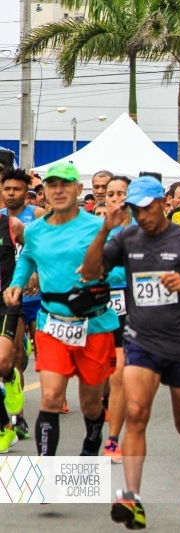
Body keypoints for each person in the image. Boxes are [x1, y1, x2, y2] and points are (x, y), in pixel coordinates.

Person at [80, 176, 180, 530]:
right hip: (141, 341)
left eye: (148, 206)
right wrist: (104, 230)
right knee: (136, 413)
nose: (143, 215)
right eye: (136, 208)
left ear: (163, 204)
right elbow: (90, 272)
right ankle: (131, 498)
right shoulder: (126, 237)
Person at [3, 162, 119, 458]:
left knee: (91, 403)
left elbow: (120, 269)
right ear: (44, 192)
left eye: (65, 185)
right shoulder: (37, 231)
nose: (58, 190)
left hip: (94, 324)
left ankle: (92, 442)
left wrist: (100, 276)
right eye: (51, 185)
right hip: (52, 322)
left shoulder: (97, 227)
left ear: (79, 190)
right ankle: (46, 471)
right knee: (51, 397)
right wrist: (17, 283)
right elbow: (27, 258)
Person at [1, 167, 47, 438]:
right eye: (6, 189)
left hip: (38, 296)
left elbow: (48, 249)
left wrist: (38, 274)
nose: (11, 193)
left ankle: (16, 415)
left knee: (25, 353)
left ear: (25, 192)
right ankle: (16, 416)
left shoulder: (37, 217)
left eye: (16, 189)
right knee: (12, 356)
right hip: (10, 294)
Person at [98, 176, 135, 463]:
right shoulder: (93, 231)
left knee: (119, 374)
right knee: (98, 379)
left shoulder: (140, 232)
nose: (114, 199)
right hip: (97, 308)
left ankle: (112, 440)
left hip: (128, 310)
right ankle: (101, 405)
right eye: (110, 194)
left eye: (120, 193)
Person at [0, 199, 25, 453]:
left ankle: (10, 377)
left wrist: (33, 275)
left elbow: (32, 254)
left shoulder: (12, 225)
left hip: (6, 302)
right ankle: (5, 428)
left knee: (1, 362)